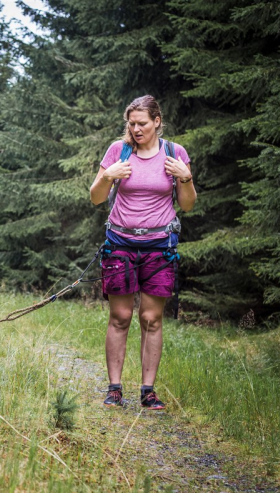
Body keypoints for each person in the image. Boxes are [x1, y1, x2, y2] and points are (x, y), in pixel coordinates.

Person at [89, 95, 196, 410]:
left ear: (157, 122)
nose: (136, 129)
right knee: (120, 316)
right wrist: (108, 177)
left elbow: (187, 204)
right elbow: (96, 198)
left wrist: (184, 177)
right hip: (119, 243)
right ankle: (114, 389)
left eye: (142, 123)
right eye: (131, 123)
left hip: (159, 246)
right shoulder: (117, 151)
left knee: (151, 318)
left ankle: (148, 391)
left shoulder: (175, 154)